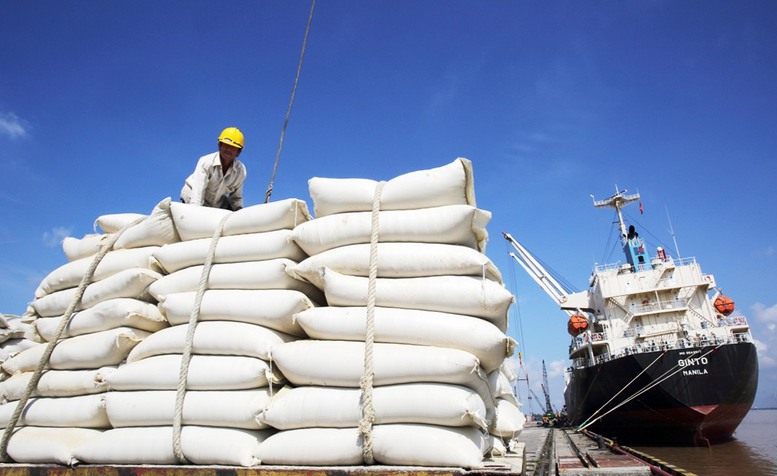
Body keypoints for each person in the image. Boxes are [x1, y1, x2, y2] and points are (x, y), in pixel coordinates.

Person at [180, 127, 247, 211]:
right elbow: (197, 195)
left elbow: (236, 198)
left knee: (231, 211)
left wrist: (240, 214)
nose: (228, 149)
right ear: (219, 146)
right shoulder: (206, 162)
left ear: (238, 152)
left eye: (233, 147)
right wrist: (195, 213)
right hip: (192, 195)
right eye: (226, 145)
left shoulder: (240, 171)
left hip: (216, 203)